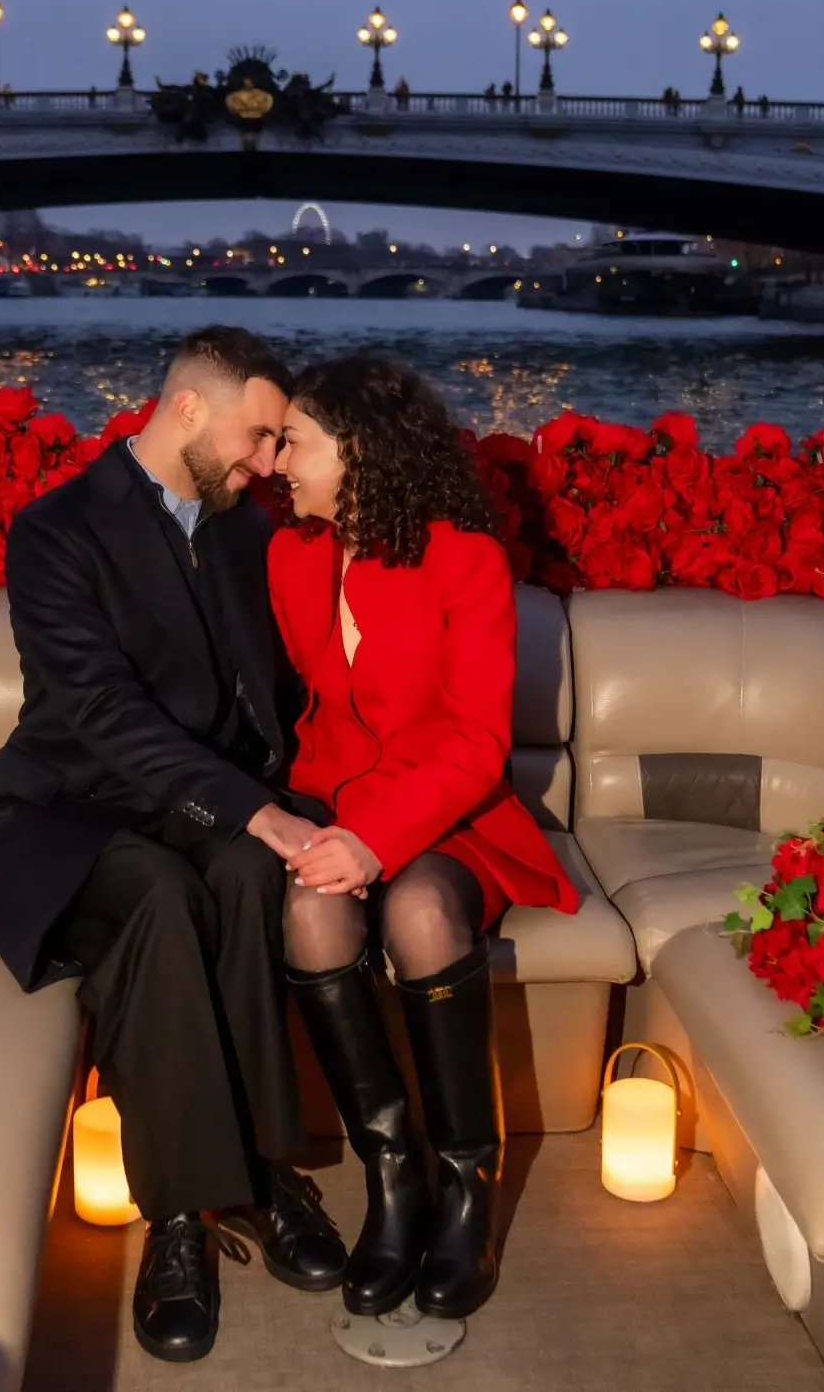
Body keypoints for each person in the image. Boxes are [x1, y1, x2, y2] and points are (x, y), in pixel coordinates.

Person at [0, 327, 346, 1363]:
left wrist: (287, 804)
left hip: (193, 809)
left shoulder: (238, 527)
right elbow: (97, 709)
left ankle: (266, 1168)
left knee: (235, 868)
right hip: (65, 814)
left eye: (279, 444)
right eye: (257, 434)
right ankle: (182, 1215)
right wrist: (254, 805)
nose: (267, 461)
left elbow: (278, 685)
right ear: (187, 406)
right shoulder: (54, 530)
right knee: (159, 894)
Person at [268, 355, 581, 1321]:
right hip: (332, 805)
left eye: (297, 442)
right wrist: (323, 836)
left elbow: (480, 740)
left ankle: (467, 1188)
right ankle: (393, 1175)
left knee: (421, 908)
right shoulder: (290, 553)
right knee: (313, 915)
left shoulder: (465, 557)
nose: (279, 461)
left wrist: (374, 838)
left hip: (450, 816)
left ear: (358, 450)